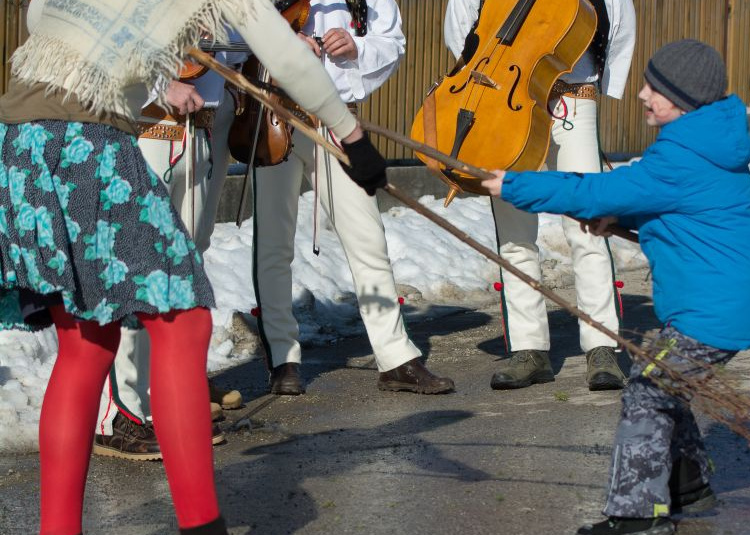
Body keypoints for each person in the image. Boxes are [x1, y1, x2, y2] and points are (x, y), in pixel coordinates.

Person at [0, 0, 387, 533]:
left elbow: (39, 14)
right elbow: (288, 59)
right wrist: (351, 135)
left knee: (86, 343)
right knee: (184, 319)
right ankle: (204, 526)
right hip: (84, 143)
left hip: (20, 143)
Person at [480, 39, 750, 535]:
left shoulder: (682, 157)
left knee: (646, 389)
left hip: (714, 312)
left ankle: (638, 515)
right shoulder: (706, 144)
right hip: (721, 305)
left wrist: (515, 186)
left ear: (681, 100)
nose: (640, 94)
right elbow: (670, 204)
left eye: (653, 89)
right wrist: (618, 216)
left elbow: (595, 189)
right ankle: (688, 486)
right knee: (661, 382)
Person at [252, 0, 455, 396]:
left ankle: (396, 358)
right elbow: (236, 28)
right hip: (275, 116)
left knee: (368, 238)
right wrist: (281, 42)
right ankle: (282, 358)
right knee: (274, 245)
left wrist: (357, 47)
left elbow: (393, 43)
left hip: (338, 120)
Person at [444, 0, 636, 391]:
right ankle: (528, 348)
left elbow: (619, 19)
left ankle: (602, 346)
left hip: (573, 96)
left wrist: (603, 81)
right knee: (514, 231)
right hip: (506, 99)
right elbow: (462, 25)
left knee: (587, 224)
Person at [94, 50, 247, 461]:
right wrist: (161, 84)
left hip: (200, 130)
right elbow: (111, 44)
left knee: (181, 276)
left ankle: (165, 403)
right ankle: (119, 416)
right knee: (135, 272)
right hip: (147, 125)